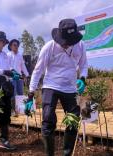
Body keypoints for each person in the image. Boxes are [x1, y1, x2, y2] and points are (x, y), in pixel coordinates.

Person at [27, 19, 88, 156]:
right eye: (65, 42)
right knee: (48, 119)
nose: (67, 45)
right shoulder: (49, 47)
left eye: (70, 42)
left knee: (73, 120)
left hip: (71, 88)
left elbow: (84, 65)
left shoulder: (81, 46)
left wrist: (83, 78)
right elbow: (38, 71)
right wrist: (30, 95)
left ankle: (67, 153)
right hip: (51, 86)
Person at [7, 39, 29, 115]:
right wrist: (12, 70)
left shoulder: (20, 55)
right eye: (14, 45)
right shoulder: (8, 55)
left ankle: (21, 110)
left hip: (19, 77)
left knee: (21, 93)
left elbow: (23, 65)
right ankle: (13, 111)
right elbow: (7, 65)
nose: (16, 47)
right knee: (13, 94)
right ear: (10, 46)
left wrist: (27, 75)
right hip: (11, 77)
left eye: (17, 45)